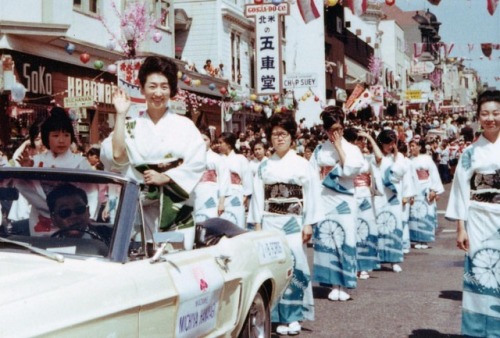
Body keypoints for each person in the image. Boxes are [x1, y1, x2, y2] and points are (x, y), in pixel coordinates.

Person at [101, 56, 206, 250]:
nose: (158, 93)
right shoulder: (131, 124)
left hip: (175, 207)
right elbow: (117, 156)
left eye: (164, 87)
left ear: (172, 90)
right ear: (142, 88)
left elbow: (197, 162)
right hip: (140, 208)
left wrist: (166, 176)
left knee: (175, 264)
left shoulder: (185, 126)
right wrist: (121, 114)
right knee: (141, 261)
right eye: (152, 86)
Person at [248, 113, 323, 335]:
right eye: (275, 135)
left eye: (284, 134)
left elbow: (311, 195)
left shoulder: (302, 164)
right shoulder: (264, 166)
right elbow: (257, 196)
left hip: (293, 222)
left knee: (296, 264)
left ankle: (295, 315)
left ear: (292, 136)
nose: (279, 139)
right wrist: (257, 225)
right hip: (270, 221)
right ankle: (276, 315)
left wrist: (308, 223)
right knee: (273, 267)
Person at [445, 90, 500, 337]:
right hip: (479, 217)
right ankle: (479, 331)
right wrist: (460, 227)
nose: (491, 118)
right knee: (480, 273)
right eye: (485, 114)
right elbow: (459, 189)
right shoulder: (470, 153)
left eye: (496, 113)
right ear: (478, 117)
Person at [309, 106, 365, 301]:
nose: (335, 133)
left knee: (345, 238)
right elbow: (311, 176)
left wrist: (340, 147)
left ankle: (345, 283)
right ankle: (332, 282)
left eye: (339, 129)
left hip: (345, 199)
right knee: (327, 238)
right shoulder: (319, 150)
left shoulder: (353, 149)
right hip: (324, 198)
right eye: (331, 130)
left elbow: (350, 170)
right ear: (325, 130)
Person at [372, 129, 408, 273]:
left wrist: (395, 159)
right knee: (378, 225)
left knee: (394, 225)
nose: (391, 147)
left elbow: (400, 173)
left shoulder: (398, 156)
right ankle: (377, 258)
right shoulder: (375, 156)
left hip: (393, 196)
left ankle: (394, 260)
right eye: (388, 143)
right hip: (379, 195)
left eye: (393, 143)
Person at [47, 183, 112, 245]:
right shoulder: (45, 246)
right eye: (65, 212)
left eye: (79, 209)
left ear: (88, 211)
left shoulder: (111, 236)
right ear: (54, 219)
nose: (74, 216)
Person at [408, 139, 444, 250]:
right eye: (410, 146)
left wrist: (434, 190)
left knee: (425, 213)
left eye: (413, 146)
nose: (411, 148)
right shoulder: (409, 160)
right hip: (415, 188)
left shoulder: (427, 159)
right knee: (415, 214)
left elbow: (434, 174)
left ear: (419, 147)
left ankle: (425, 240)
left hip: (426, 187)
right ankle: (416, 238)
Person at [192, 131, 230, 222]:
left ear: (210, 141)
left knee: (210, 221)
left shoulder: (217, 158)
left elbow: (224, 180)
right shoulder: (191, 158)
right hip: (195, 194)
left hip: (211, 194)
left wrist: (221, 203)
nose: (202, 142)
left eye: (205, 139)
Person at [217, 132, 252, 228]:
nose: (218, 145)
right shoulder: (218, 159)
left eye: (221, 143)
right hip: (221, 194)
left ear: (228, 144)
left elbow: (247, 177)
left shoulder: (240, 158)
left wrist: (245, 196)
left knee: (236, 221)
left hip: (236, 193)